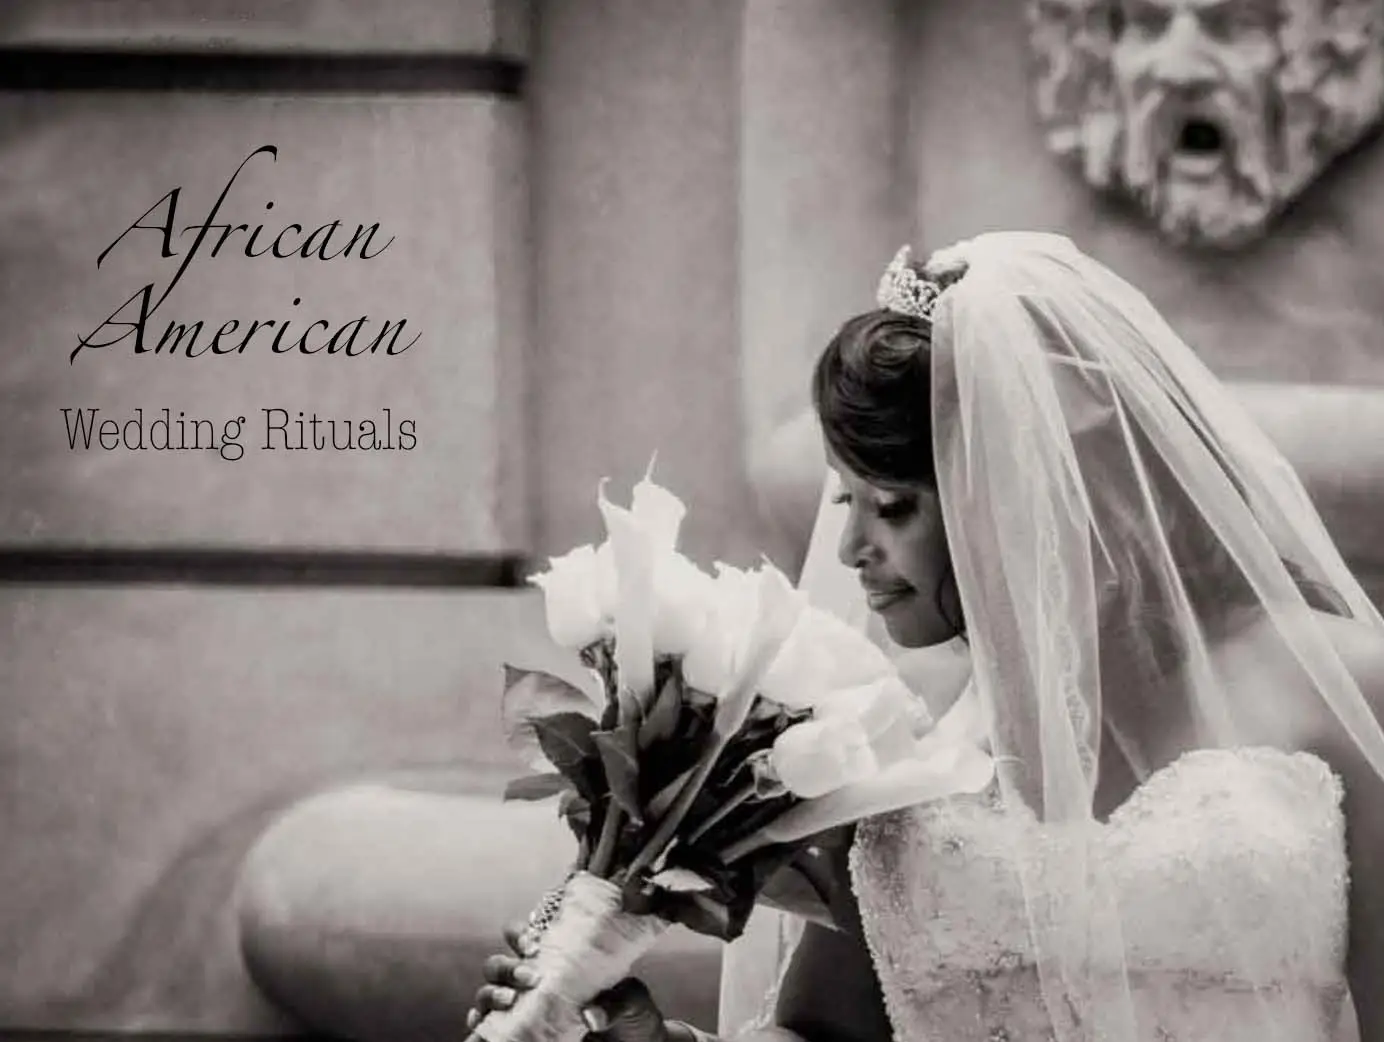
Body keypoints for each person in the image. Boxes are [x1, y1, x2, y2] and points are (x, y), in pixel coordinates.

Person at [469, 232, 1384, 1042]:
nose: (850, 550)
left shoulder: (1339, 686)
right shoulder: (881, 741)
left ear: (1013, 491)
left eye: (892, 505)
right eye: (844, 498)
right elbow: (825, 1035)